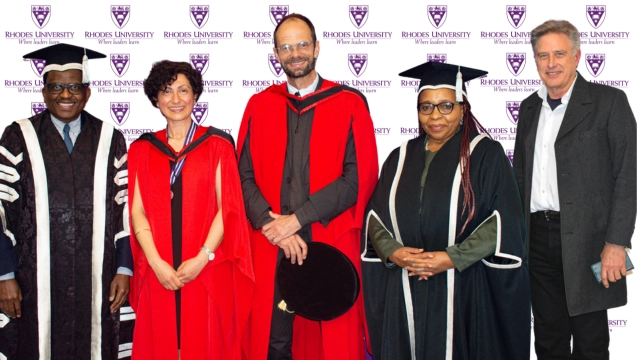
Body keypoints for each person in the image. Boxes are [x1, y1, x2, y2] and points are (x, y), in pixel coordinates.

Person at [361, 62, 531, 360]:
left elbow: (504, 221)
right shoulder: (400, 157)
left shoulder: (485, 154)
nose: (435, 116)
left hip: (464, 284)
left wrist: (452, 258)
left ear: (463, 109)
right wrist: (395, 253)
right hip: (408, 282)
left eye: (446, 106)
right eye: (426, 107)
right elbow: (375, 219)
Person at [237, 13, 379, 360]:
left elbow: (357, 178)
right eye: (286, 47)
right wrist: (275, 226)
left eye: (302, 44)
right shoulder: (259, 105)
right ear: (276, 53)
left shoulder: (349, 103)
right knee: (275, 340)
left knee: (330, 343)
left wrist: (297, 219)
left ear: (316, 47)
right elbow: (243, 176)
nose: (295, 53)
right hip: (272, 245)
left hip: (328, 240)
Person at [513, 20, 636, 359]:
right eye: (542, 55)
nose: (551, 63)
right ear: (535, 60)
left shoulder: (608, 102)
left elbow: (625, 178)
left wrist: (615, 243)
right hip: (537, 239)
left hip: (590, 242)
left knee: (590, 341)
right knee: (549, 339)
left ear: (577, 56)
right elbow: (519, 177)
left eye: (559, 54)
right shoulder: (528, 108)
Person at [0, 43, 132, 359]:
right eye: (56, 86)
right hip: (32, 280)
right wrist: (4, 276)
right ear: (43, 92)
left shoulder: (110, 137)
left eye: (74, 86)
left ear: (87, 92)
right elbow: (1, 212)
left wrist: (125, 268)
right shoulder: (18, 136)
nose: (65, 95)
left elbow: (123, 208)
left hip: (98, 279)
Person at [128, 60, 254, 360]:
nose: (175, 100)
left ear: (195, 95)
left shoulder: (218, 144)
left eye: (183, 90)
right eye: (166, 92)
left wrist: (202, 257)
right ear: (155, 100)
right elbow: (137, 212)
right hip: (160, 269)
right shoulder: (142, 148)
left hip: (205, 268)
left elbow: (229, 209)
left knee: (206, 343)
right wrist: (156, 262)